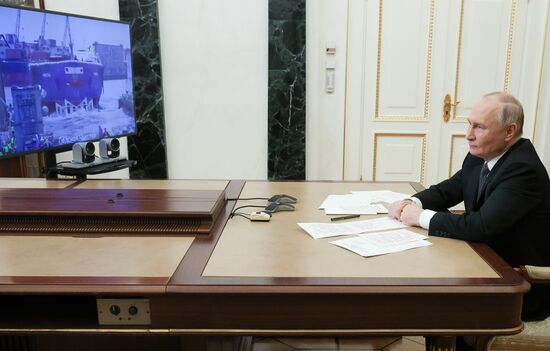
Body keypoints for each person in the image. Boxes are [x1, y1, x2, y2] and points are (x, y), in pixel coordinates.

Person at [389, 92, 550, 321]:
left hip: (517, 287)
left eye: (479, 127)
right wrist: (411, 202)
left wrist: (420, 217)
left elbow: (480, 226)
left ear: (509, 131)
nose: (468, 135)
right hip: (482, 264)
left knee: (429, 297)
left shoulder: (523, 170)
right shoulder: (481, 155)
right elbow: (450, 189)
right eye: (469, 125)